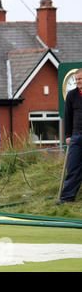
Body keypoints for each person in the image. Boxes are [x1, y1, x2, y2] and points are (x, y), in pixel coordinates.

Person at [57, 69, 82, 205]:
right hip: (76, 136)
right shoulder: (71, 95)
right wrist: (68, 135)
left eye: (80, 79)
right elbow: (68, 117)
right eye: (76, 79)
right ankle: (67, 199)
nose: (78, 81)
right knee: (72, 168)